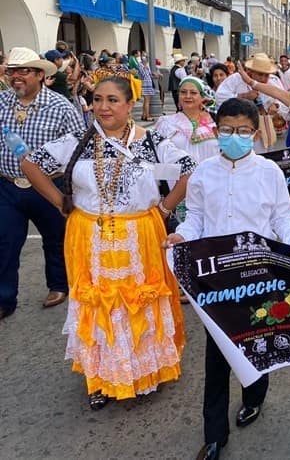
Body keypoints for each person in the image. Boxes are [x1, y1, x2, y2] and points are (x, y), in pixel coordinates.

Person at [21, 76, 194, 409]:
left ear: (130, 105)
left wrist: (166, 206)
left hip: (140, 236)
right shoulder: (78, 141)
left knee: (139, 302)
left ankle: (146, 371)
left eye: (113, 100)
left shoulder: (151, 141)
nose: (103, 107)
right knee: (98, 305)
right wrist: (60, 201)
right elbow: (31, 164)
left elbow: (189, 170)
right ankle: (100, 378)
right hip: (90, 237)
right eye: (98, 99)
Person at [163, 98, 290, 460]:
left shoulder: (269, 172)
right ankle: (214, 434)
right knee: (217, 356)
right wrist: (182, 235)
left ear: (255, 133)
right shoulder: (202, 173)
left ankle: (254, 396)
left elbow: (282, 218)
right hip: (215, 277)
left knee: (256, 339)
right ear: (217, 131)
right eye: (228, 130)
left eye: (243, 131)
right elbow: (196, 217)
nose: (235, 137)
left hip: (257, 274)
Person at [0, 47, 85, 320]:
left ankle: (58, 286)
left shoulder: (60, 106)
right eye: (12, 71)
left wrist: (71, 190)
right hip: (7, 185)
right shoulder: (1, 102)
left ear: (39, 74)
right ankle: (4, 298)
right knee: (5, 242)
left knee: (56, 238)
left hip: (49, 186)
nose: (16, 77)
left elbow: (78, 146)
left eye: (23, 71)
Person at [155, 76, 218, 222]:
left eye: (193, 93)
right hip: (177, 190)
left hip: (211, 188)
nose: (187, 96)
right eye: (183, 92)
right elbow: (158, 162)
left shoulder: (215, 121)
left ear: (203, 97)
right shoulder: (167, 123)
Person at [215, 54, 287, 153]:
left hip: (265, 128)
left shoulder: (273, 81)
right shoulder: (236, 79)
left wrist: (276, 105)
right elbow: (219, 96)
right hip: (240, 128)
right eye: (260, 74)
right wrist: (243, 96)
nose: (264, 78)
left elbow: (283, 97)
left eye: (267, 75)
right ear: (251, 71)